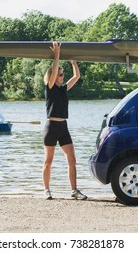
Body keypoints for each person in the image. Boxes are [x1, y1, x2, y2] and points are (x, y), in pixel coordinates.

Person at [42, 41, 87, 200]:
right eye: (60, 74)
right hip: (51, 127)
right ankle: (46, 190)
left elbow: (77, 76)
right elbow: (53, 71)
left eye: (62, 74)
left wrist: (73, 61)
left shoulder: (63, 89)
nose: (62, 76)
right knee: (48, 161)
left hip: (63, 127)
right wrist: (57, 55)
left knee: (72, 160)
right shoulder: (50, 87)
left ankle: (74, 190)